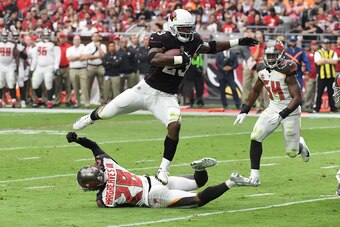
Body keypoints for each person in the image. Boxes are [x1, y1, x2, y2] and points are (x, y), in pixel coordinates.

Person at [72, 9, 258, 185]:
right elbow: (153, 59)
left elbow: (211, 47)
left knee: (175, 125)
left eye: (189, 28)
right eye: (183, 29)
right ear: (172, 26)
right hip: (144, 90)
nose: (187, 32)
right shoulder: (161, 37)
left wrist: (238, 41)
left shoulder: (193, 40)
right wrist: (178, 59)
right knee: (107, 112)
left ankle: (163, 168)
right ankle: (89, 118)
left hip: (166, 96)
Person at [66, 132, 249, 208]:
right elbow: (94, 146)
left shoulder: (104, 199)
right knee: (199, 182)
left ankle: (231, 181)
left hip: (153, 196)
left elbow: (101, 199)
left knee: (197, 200)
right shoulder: (108, 164)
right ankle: (199, 168)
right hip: (154, 179)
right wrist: (77, 139)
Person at [233, 39, 310, 186]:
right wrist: (245, 110)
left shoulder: (288, 68)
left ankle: (301, 146)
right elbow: (255, 89)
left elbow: (297, 98)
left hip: (290, 110)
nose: (271, 59)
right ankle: (254, 177)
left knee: (292, 153)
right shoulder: (261, 67)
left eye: (274, 55)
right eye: (269, 56)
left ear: (281, 55)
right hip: (273, 106)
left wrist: (283, 114)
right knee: (255, 136)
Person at [30, 28, 61, 108]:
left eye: (47, 35)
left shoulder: (53, 44)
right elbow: (35, 57)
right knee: (35, 84)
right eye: (45, 35)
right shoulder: (38, 44)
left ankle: (49, 101)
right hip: (39, 67)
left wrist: (56, 67)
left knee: (48, 84)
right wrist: (32, 67)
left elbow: (57, 56)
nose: (46, 37)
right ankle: (40, 99)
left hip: (49, 67)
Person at [314, 39, 338, 113]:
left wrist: (324, 60)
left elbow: (335, 61)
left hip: (331, 76)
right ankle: (317, 108)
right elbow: (318, 62)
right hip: (321, 76)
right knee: (319, 92)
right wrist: (329, 60)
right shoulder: (318, 52)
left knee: (331, 93)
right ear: (322, 44)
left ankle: (333, 108)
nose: (326, 45)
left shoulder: (332, 52)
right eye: (324, 43)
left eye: (327, 43)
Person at [66, 35, 89, 108]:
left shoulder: (84, 47)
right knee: (75, 87)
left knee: (84, 87)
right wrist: (79, 56)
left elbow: (85, 57)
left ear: (80, 40)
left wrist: (74, 57)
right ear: (73, 41)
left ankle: (86, 104)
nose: (77, 41)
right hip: (73, 69)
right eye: (75, 39)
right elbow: (69, 58)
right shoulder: (70, 49)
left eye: (78, 39)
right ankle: (77, 103)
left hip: (82, 69)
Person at [85, 32, 106, 104]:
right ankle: (87, 102)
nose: (96, 37)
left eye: (97, 36)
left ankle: (103, 101)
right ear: (92, 38)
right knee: (88, 85)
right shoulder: (88, 46)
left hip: (100, 66)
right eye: (94, 36)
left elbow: (103, 55)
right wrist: (98, 56)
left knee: (102, 85)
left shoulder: (103, 46)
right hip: (91, 66)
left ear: (99, 37)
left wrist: (98, 47)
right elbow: (87, 57)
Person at [54, 33, 72, 107]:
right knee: (58, 85)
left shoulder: (69, 47)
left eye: (63, 38)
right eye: (61, 38)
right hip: (58, 67)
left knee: (67, 85)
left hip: (67, 67)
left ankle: (68, 100)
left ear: (66, 38)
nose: (62, 39)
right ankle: (57, 100)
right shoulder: (56, 47)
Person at [302, 40, 319, 112]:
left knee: (314, 92)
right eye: (314, 45)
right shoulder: (308, 54)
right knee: (308, 91)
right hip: (310, 75)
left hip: (317, 75)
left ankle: (311, 106)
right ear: (311, 46)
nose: (315, 46)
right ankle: (306, 106)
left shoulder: (319, 53)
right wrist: (305, 73)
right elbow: (304, 64)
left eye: (316, 45)